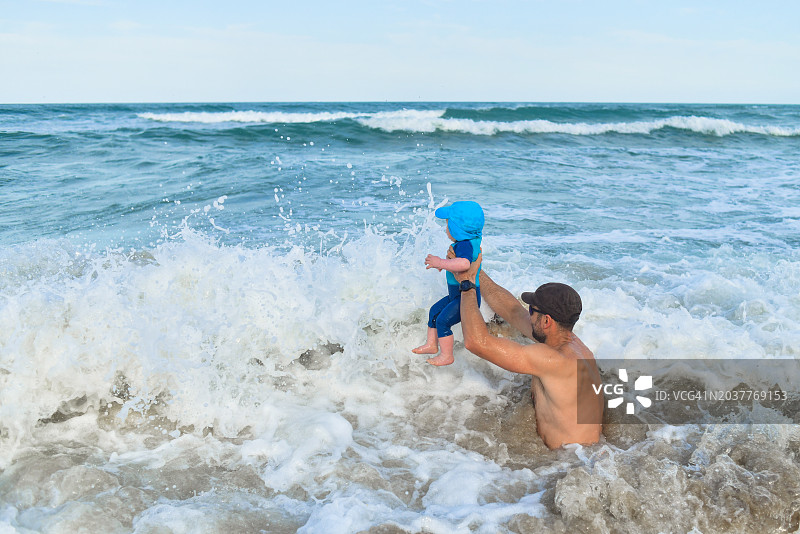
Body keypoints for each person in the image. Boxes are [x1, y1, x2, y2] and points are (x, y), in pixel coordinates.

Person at [453, 256, 603, 449]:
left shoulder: (553, 360)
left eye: (532, 310)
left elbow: (476, 342)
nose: (527, 313)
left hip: (567, 461)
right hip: (585, 452)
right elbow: (514, 311)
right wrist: (474, 271)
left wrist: (467, 287)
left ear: (546, 321)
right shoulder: (574, 346)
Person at [412, 201, 484, 366]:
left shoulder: (465, 244)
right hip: (456, 294)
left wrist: (441, 263)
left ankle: (446, 355)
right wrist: (445, 265)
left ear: (458, 228)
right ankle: (431, 344)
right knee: (434, 311)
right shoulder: (468, 241)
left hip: (465, 297)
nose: (446, 229)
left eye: (448, 225)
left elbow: (464, 264)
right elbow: (458, 264)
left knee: (443, 320)